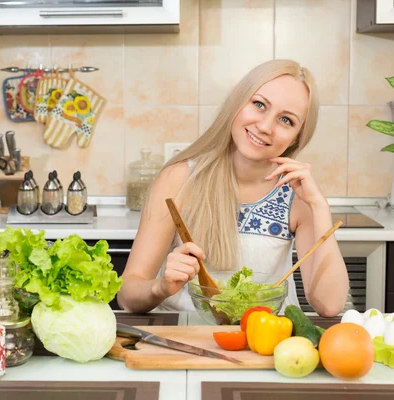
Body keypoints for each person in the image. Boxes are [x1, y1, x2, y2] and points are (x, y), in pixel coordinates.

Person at [117, 59, 349, 318]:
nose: (265, 126)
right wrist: (160, 288)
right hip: (185, 344)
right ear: (238, 103)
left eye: (286, 120)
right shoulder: (179, 179)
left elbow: (330, 305)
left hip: (264, 346)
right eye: (259, 104)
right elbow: (127, 295)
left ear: (297, 137)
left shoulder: (297, 195)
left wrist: (320, 207)